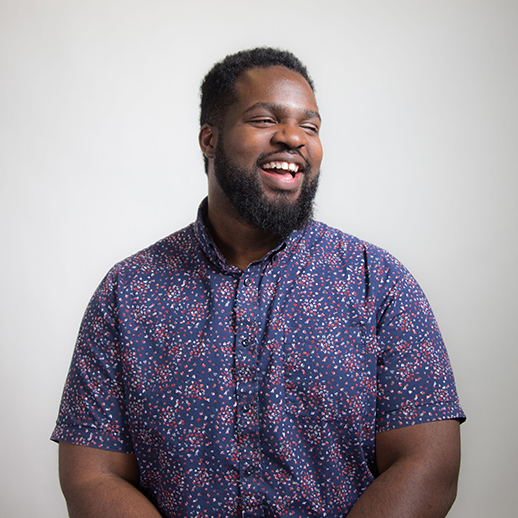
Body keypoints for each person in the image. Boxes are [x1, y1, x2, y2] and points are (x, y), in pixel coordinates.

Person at [52, 47, 465, 518]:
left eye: (310, 126)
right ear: (209, 139)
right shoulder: (128, 293)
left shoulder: (381, 285)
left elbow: (427, 465)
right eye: (265, 119)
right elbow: (93, 475)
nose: (293, 137)